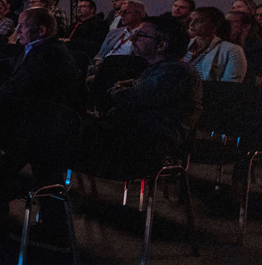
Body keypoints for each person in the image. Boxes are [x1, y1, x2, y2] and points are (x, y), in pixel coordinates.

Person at [83, 15, 203, 170]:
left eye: (140, 35)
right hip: (133, 134)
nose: (132, 38)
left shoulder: (175, 71)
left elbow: (131, 98)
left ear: (161, 45)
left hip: (147, 143)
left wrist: (117, 91)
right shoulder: (160, 68)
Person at [0, 8, 80, 109]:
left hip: (44, 111)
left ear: (41, 30)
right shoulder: (41, 45)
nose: (17, 31)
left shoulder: (48, 54)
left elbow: (18, 84)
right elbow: (14, 64)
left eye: (23, 26)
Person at [183, 6, 246, 82]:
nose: (191, 24)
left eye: (199, 21)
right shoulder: (183, 44)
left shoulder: (232, 50)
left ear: (214, 25)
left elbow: (231, 85)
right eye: (191, 20)